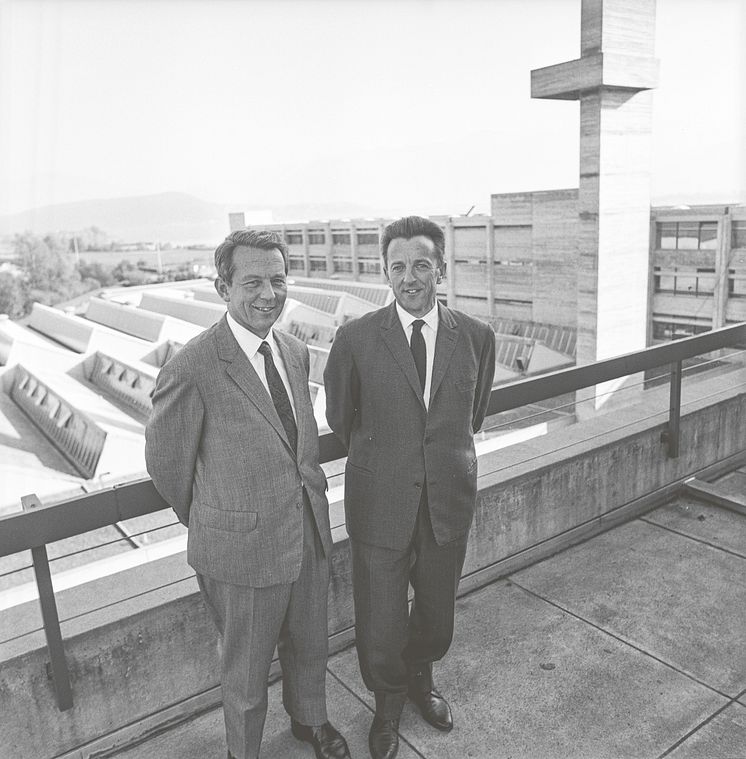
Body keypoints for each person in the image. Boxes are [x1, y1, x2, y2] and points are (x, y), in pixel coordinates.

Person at [145, 229, 350, 759]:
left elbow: (295, 442)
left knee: (310, 645)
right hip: (239, 551)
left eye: (278, 281)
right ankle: (245, 751)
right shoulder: (193, 365)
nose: (268, 294)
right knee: (246, 671)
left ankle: (310, 722)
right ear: (222, 287)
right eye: (253, 282)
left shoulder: (295, 351)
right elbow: (167, 465)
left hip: (307, 530)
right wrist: (219, 520)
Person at [324, 216, 496, 759]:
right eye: (397, 266)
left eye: (421, 264)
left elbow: (476, 412)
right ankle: (388, 703)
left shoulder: (475, 336)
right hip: (380, 504)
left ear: (440, 269)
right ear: (385, 272)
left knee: (438, 614)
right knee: (379, 620)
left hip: (446, 500)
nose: (409, 276)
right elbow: (340, 416)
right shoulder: (354, 339)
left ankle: (422, 679)